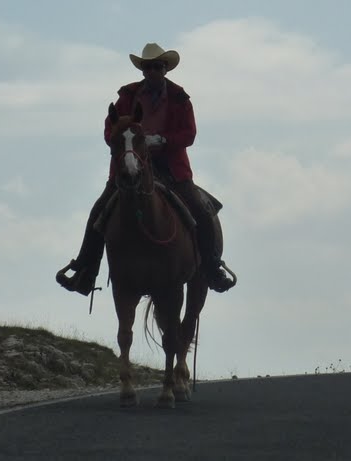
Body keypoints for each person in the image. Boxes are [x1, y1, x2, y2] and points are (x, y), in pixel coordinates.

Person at [56, 42, 236, 295]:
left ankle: (211, 268)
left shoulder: (180, 99)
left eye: (157, 67)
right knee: (99, 212)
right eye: (148, 67)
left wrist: (163, 140)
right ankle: (85, 271)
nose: (152, 71)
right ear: (142, 70)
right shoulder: (126, 97)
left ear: (165, 69)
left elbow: (189, 133)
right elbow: (110, 129)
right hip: (130, 167)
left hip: (172, 167)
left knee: (201, 211)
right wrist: (125, 143)